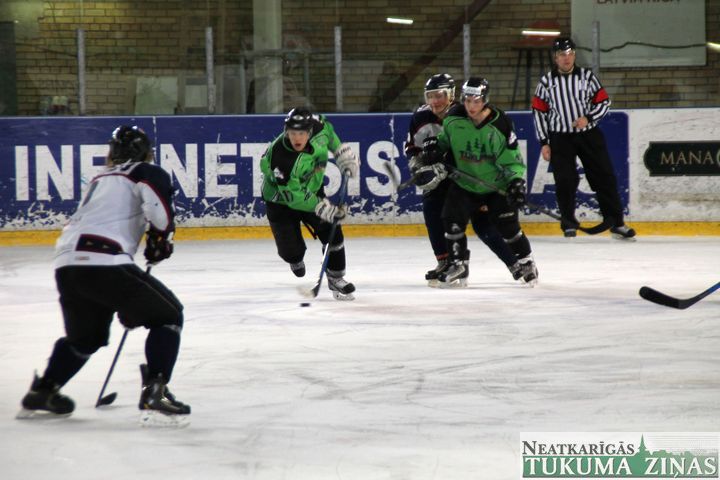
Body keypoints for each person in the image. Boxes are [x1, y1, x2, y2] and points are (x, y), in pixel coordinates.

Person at [18, 126, 190, 418]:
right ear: (147, 152)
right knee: (168, 315)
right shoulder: (144, 170)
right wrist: (162, 238)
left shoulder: (99, 179)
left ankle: (44, 390)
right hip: (105, 261)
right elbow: (159, 212)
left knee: (85, 338)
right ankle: (155, 391)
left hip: (67, 264)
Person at [419, 77, 539, 287]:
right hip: (465, 183)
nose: (471, 106)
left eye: (476, 101)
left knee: (508, 227)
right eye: (467, 100)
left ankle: (526, 261)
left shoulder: (500, 124)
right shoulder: (454, 119)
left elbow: (513, 161)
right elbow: (445, 141)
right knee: (451, 219)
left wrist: (516, 183)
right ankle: (458, 264)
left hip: (496, 185)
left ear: (485, 100)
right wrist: (434, 149)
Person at [531, 36, 636, 240]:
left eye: (570, 54)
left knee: (604, 176)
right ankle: (569, 224)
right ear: (555, 57)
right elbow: (539, 112)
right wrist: (544, 142)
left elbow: (604, 102)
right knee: (565, 180)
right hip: (560, 137)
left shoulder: (587, 77)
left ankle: (616, 223)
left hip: (588, 135)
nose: (567, 58)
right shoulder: (546, 82)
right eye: (562, 54)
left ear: (574, 55)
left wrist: (588, 118)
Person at [260, 107, 360, 300]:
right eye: (292, 133)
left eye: (301, 133)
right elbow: (294, 197)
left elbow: (329, 133)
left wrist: (341, 152)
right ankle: (295, 258)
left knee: (332, 231)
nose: (297, 138)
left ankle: (336, 278)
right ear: (286, 131)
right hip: (280, 201)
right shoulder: (281, 158)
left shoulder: (319, 127)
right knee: (292, 252)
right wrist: (321, 207)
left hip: (311, 189)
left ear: (310, 131)